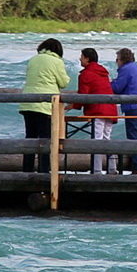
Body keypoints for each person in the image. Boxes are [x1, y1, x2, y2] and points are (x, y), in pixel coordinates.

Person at [22, 38, 71, 173]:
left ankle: (27, 169)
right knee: (45, 140)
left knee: (30, 138)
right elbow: (63, 82)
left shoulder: (33, 59)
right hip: (45, 106)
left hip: (28, 102)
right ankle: (43, 170)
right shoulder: (56, 61)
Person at [76, 47, 117, 173]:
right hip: (110, 109)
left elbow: (83, 95)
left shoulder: (86, 74)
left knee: (96, 140)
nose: (80, 59)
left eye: (82, 57)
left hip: (96, 110)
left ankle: (97, 169)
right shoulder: (103, 72)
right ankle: (112, 168)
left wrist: (74, 105)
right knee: (106, 138)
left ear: (87, 59)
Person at [113, 47, 137, 172]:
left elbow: (117, 88)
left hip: (133, 106)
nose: (116, 62)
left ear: (122, 60)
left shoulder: (125, 70)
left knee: (134, 137)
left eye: (117, 59)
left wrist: (109, 83)